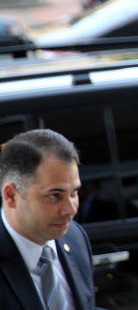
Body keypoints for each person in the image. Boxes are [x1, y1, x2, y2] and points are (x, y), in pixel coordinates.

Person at [0, 129, 98, 310]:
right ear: (11, 195)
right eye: (54, 196)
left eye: (74, 192)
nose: (71, 209)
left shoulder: (75, 237)